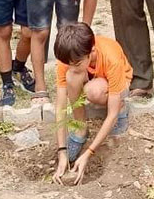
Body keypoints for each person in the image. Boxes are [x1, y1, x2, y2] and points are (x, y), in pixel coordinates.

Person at [51, 22, 133, 186]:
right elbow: (60, 106)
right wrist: (62, 151)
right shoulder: (69, 56)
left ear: (92, 51)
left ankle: (123, 107)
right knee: (72, 76)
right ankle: (80, 128)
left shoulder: (111, 57)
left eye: (77, 63)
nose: (71, 66)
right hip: (91, 78)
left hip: (118, 84)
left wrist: (88, 152)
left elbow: (112, 114)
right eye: (69, 63)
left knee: (93, 91)